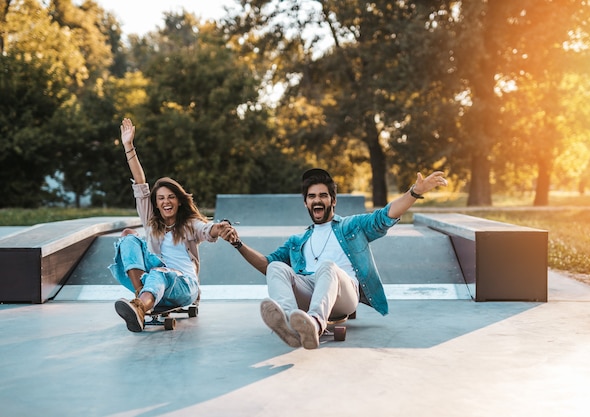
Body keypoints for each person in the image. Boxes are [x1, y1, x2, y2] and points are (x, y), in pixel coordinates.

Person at [227, 168, 448, 349]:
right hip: (310, 290)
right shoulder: (297, 240)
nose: (317, 200)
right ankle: (289, 324)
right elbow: (266, 265)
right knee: (276, 266)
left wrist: (415, 192)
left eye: (323, 195)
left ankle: (314, 323)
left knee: (328, 267)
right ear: (306, 203)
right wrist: (238, 243)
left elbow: (385, 216)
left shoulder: (350, 226)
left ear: (333, 200)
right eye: (312, 196)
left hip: (344, 294)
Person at [108, 118, 234, 332]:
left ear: (178, 200)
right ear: (155, 204)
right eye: (161, 198)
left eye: (171, 197)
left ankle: (140, 307)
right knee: (128, 236)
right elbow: (140, 184)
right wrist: (128, 146)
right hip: (153, 281)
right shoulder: (151, 221)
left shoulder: (188, 225)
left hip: (184, 286)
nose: (166, 201)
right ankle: (142, 296)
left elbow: (206, 229)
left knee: (159, 272)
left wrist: (218, 228)